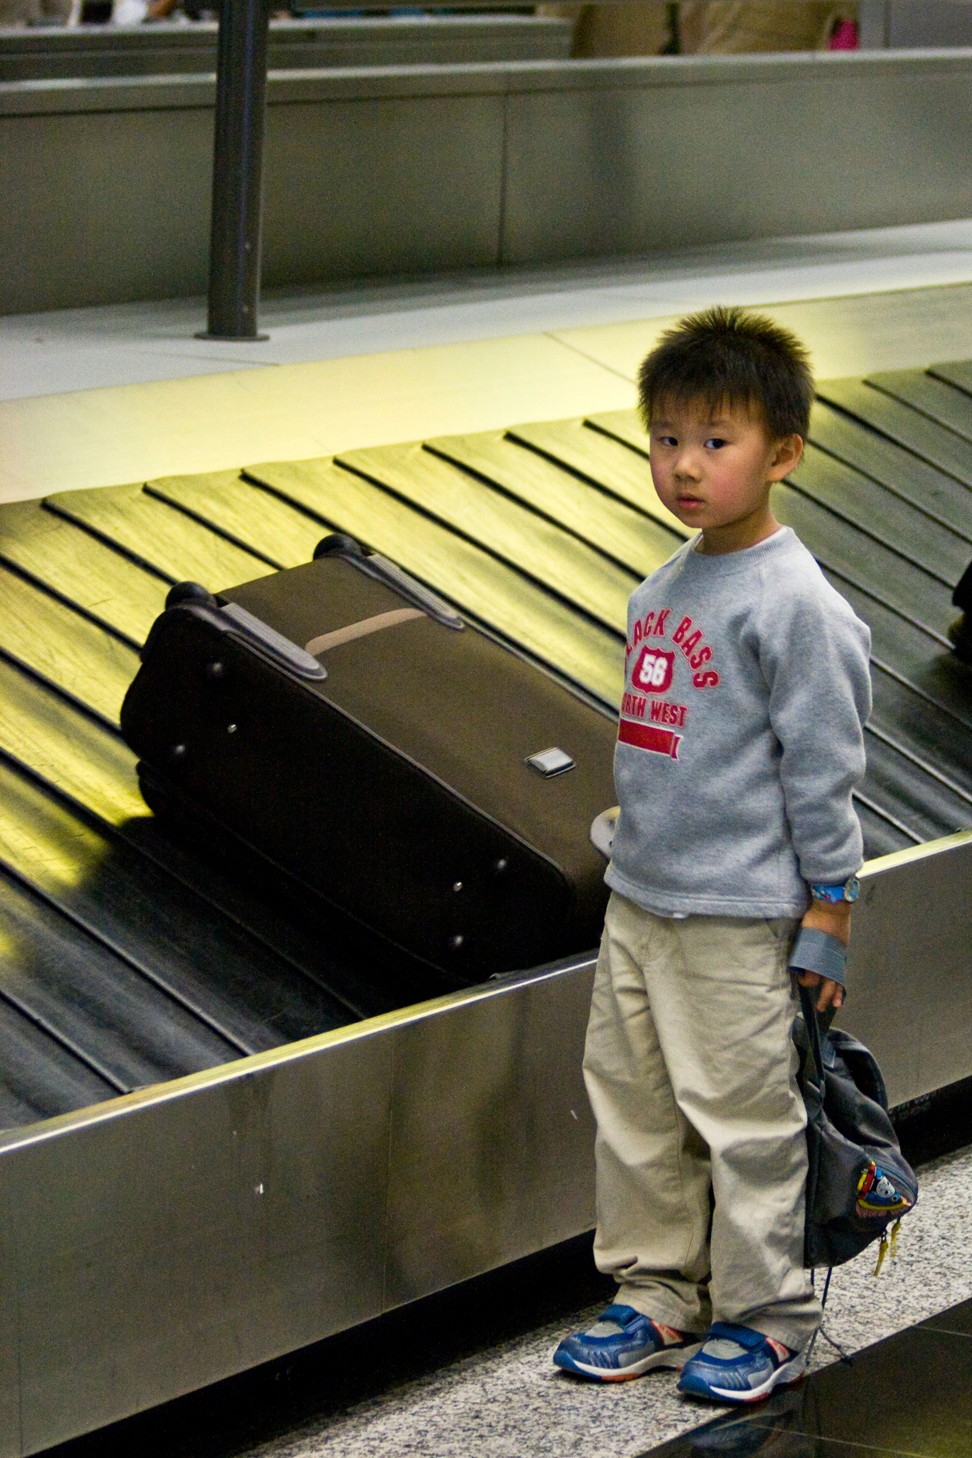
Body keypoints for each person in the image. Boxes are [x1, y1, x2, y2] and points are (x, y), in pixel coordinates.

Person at [553, 306, 872, 1404]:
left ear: (783, 452)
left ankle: (767, 1314)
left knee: (744, 1120)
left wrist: (828, 913)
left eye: (716, 441)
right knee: (636, 1107)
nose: (684, 466)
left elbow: (821, 771)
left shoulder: (798, 608)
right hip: (641, 902)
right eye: (666, 439)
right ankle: (656, 1290)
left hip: (741, 916)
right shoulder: (666, 586)